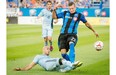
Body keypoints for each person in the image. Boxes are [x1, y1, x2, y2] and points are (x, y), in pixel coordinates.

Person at [14, 46, 83, 72]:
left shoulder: (49, 57)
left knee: (64, 64)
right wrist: (21, 69)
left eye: (49, 49)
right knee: (59, 60)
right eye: (47, 49)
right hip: (47, 65)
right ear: (43, 50)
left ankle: (64, 70)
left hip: (51, 66)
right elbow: (30, 66)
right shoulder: (38, 56)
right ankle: (72, 65)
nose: (49, 50)